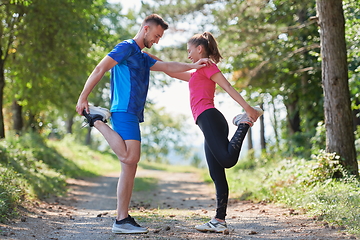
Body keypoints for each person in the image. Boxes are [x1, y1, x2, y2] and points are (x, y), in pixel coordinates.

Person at [75, 14, 210, 234]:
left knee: (129, 166)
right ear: (145, 29)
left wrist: (198, 71)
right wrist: (83, 98)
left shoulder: (142, 56)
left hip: (132, 112)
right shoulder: (126, 47)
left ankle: (122, 219)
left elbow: (168, 67)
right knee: (130, 156)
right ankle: (96, 120)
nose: (157, 40)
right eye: (156, 35)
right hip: (123, 109)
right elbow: (100, 68)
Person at [149, 31, 263, 233]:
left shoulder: (208, 66)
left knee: (227, 161)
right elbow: (170, 70)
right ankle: (219, 220)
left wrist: (248, 109)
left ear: (199, 48)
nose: (188, 56)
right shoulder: (197, 72)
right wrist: (144, 56)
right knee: (216, 173)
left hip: (210, 118)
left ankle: (243, 123)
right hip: (207, 122)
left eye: (189, 51)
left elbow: (227, 85)